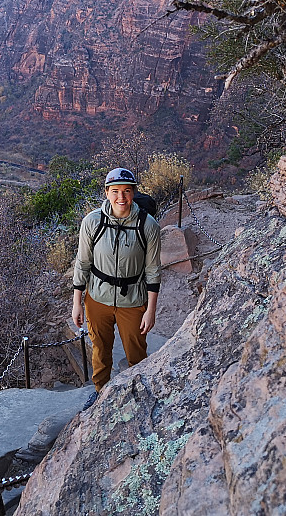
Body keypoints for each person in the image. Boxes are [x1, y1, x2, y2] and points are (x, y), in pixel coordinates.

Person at [72, 167, 161, 406]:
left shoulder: (147, 225)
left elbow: (153, 270)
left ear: (134, 193)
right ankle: (100, 393)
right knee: (100, 349)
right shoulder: (93, 222)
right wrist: (77, 303)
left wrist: (150, 310)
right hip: (97, 298)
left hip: (133, 300)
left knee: (136, 352)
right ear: (107, 193)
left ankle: (139, 392)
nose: (121, 197)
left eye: (127, 191)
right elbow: (82, 263)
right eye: (115, 191)